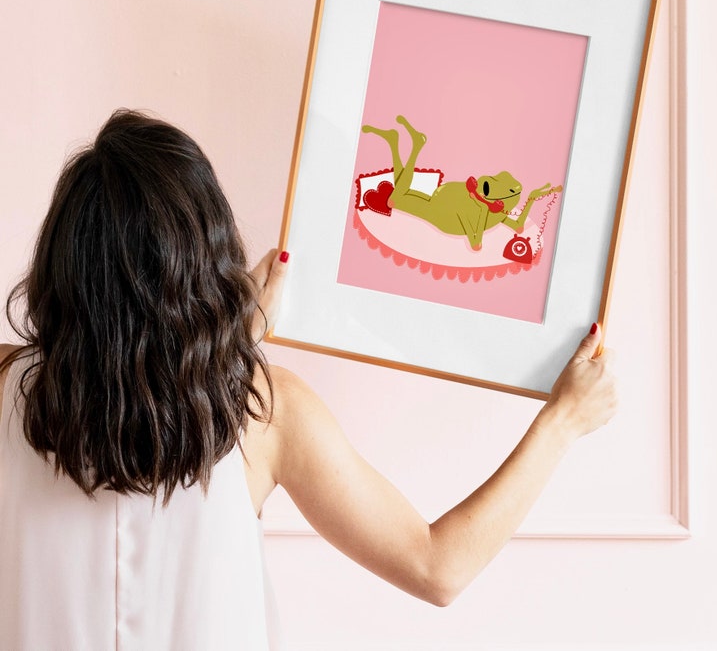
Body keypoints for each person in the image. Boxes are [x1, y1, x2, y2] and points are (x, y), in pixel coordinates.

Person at [0, 110, 617, 650]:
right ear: (205, 261)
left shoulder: (6, 383)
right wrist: (561, 422)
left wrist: (232, 344)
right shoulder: (267, 414)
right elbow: (437, 567)